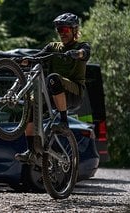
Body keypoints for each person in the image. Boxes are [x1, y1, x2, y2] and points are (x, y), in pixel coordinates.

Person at [14, 12, 91, 164]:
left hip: (73, 94)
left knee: (53, 79)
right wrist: (24, 61)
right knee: (30, 105)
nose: (62, 33)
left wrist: (77, 54)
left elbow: (85, 53)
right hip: (53, 93)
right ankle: (32, 152)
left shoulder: (81, 46)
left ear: (74, 30)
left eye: (65, 30)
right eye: (59, 30)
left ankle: (64, 121)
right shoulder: (52, 47)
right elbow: (38, 57)